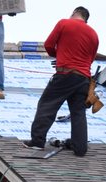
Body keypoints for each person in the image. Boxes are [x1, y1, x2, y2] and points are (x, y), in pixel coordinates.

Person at [23, 7, 99, 156]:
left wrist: (59, 56)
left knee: (47, 105)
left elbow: (49, 45)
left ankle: (37, 142)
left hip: (65, 74)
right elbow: (91, 58)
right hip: (84, 78)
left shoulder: (64, 23)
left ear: (74, 13)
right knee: (78, 113)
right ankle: (80, 148)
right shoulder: (94, 34)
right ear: (86, 19)